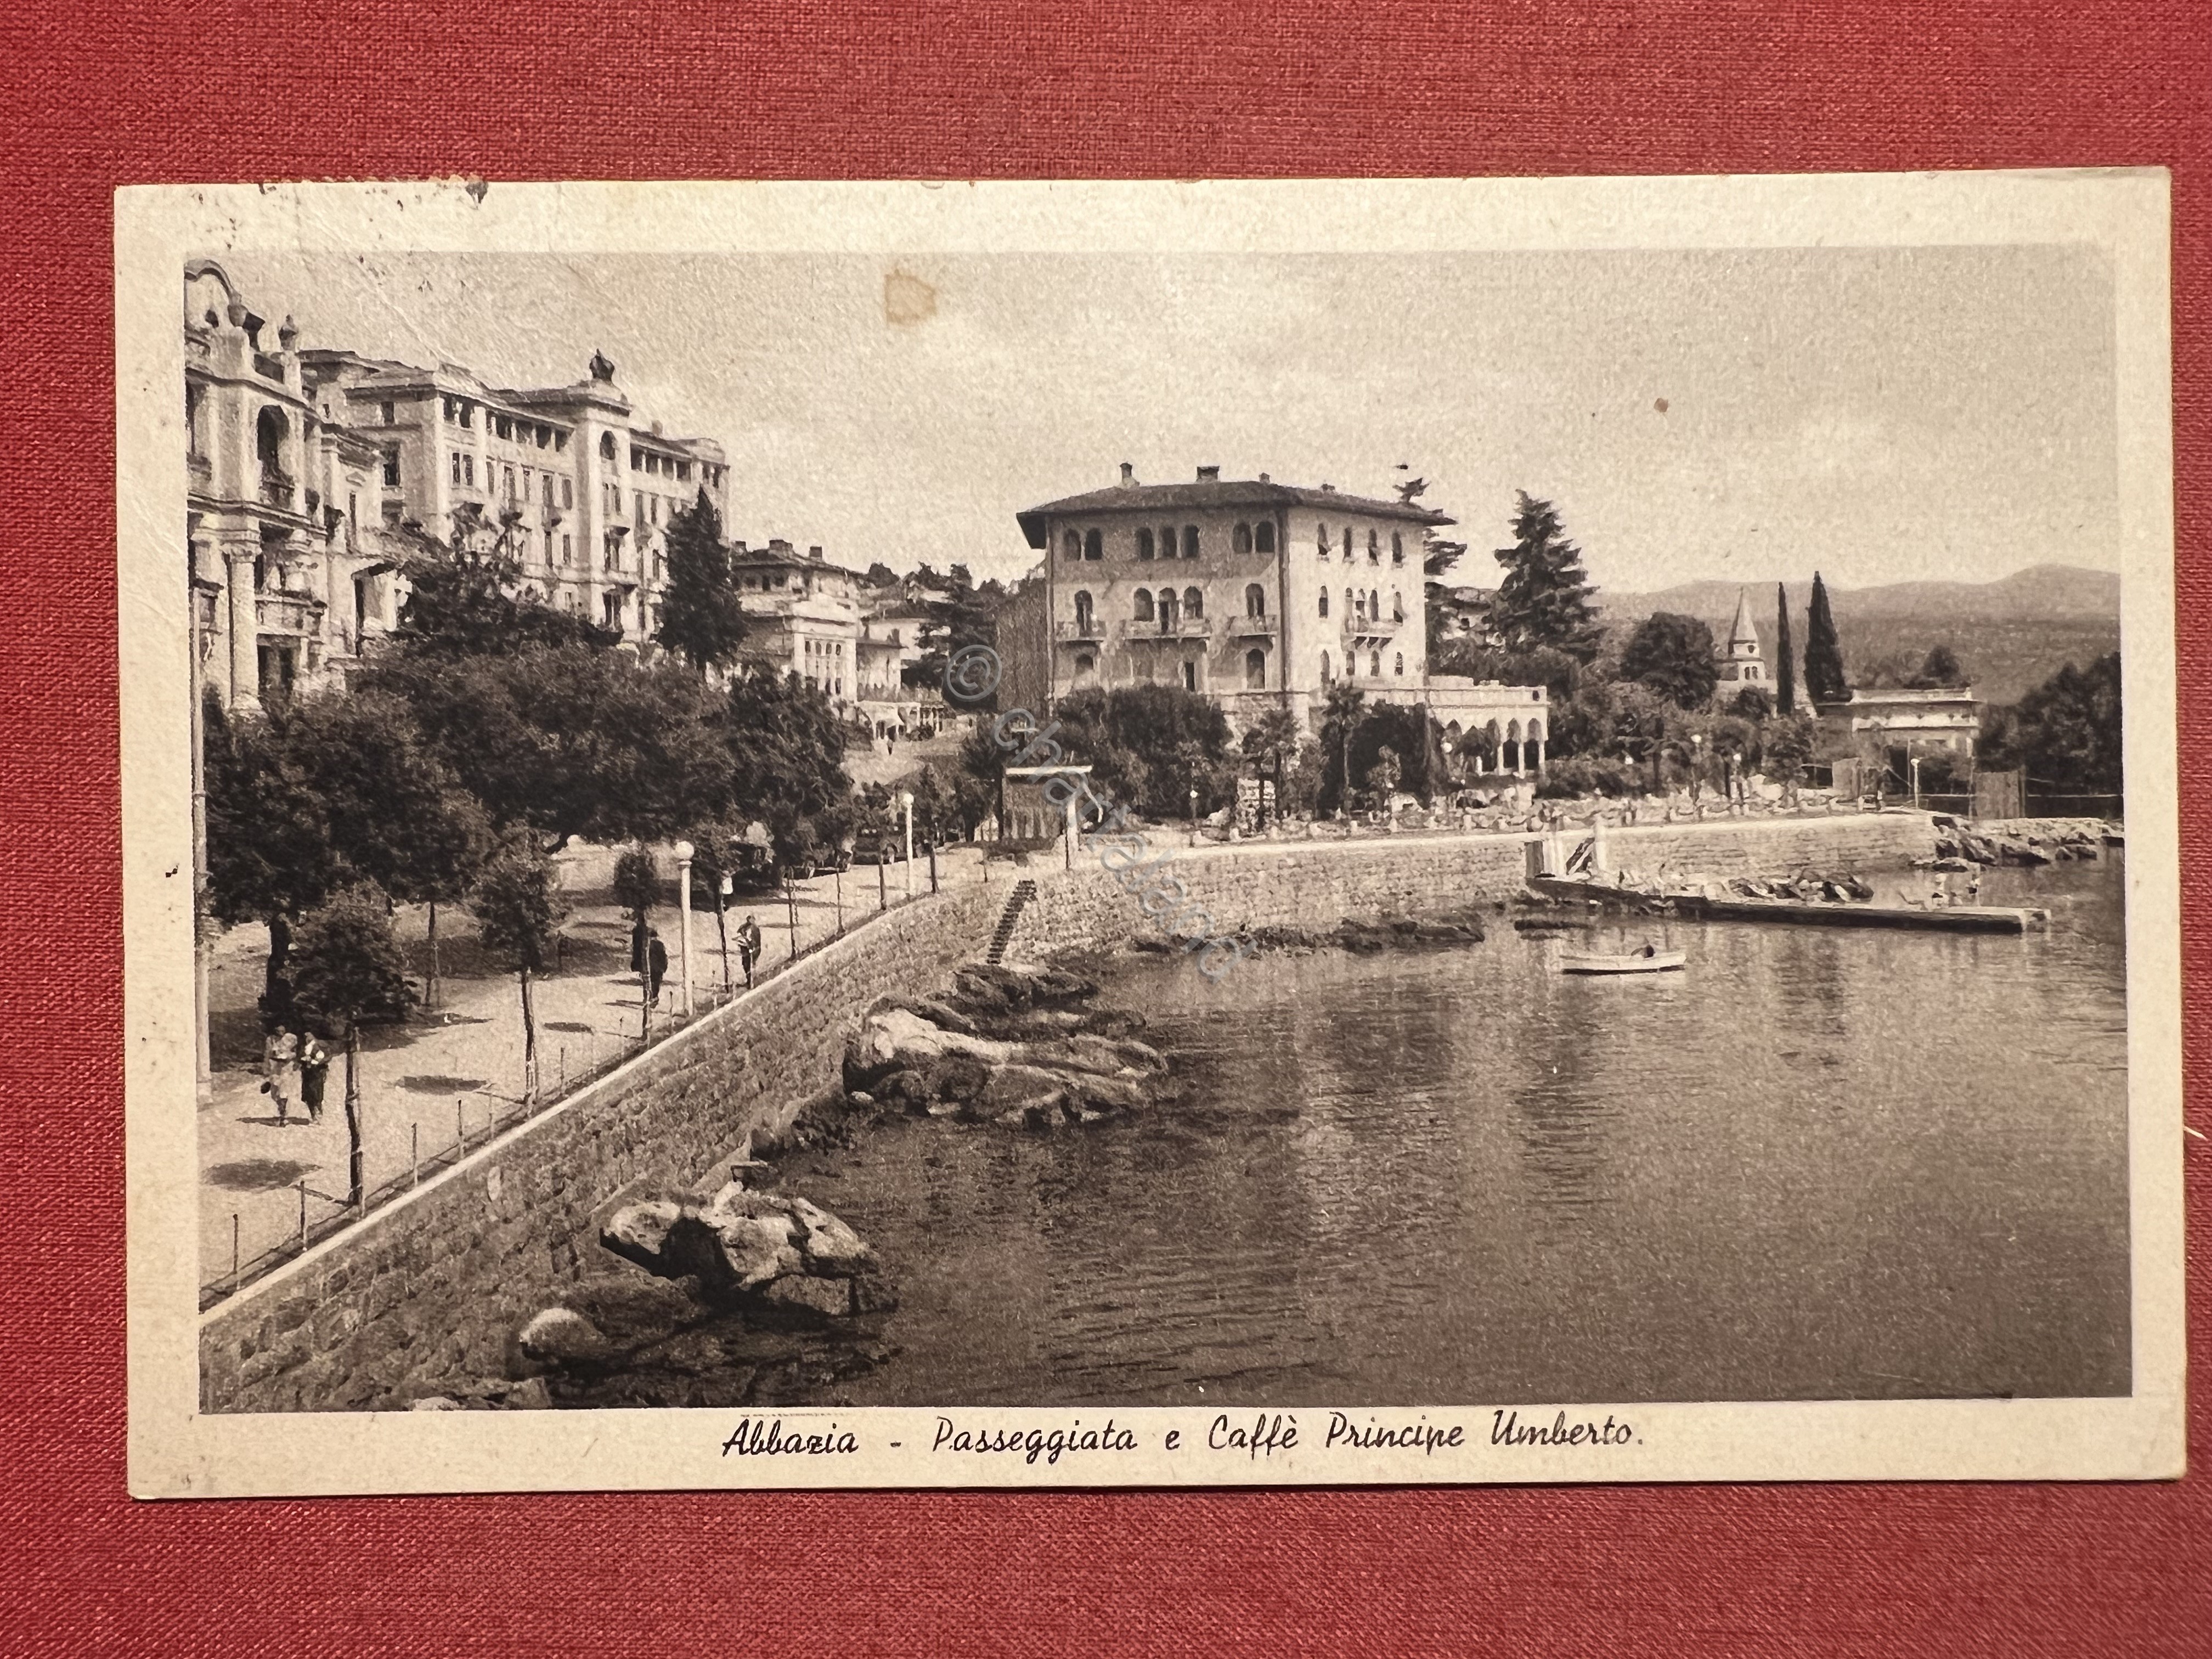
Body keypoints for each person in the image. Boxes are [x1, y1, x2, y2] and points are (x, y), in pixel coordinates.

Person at [261, 1025, 301, 1126]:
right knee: (275, 1093)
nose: (281, 1033)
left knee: (283, 1091)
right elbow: (267, 1054)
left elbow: (295, 1052)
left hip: (286, 1068)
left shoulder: (290, 1038)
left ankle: (283, 1116)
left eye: (283, 1030)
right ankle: (281, 1109)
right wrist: (266, 1069)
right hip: (275, 1068)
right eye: (278, 1031)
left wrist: (291, 1058)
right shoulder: (270, 1040)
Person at [298, 1032, 330, 1125]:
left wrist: (318, 1062)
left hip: (318, 1072)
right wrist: (303, 1060)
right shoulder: (303, 1047)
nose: (307, 1039)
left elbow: (328, 1056)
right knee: (308, 1094)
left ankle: (319, 1113)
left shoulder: (321, 1045)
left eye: (309, 1038)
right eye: (305, 1038)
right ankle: (313, 1114)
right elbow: (299, 1057)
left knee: (317, 1092)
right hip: (307, 1072)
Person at [736, 913, 762, 988]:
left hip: (750, 949)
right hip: (745, 949)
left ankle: (751, 983)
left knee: (749, 964)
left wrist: (751, 946)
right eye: (751, 919)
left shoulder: (754, 928)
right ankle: (749, 981)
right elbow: (739, 934)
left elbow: (756, 941)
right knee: (745, 964)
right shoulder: (744, 927)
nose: (753, 920)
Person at [646, 930, 669, 1008]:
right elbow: (664, 957)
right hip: (659, 968)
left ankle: (652, 997)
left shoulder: (648, 946)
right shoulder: (661, 945)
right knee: (657, 983)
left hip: (651, 967)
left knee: (651, 982)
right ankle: (655, 996)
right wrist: (665, 967)